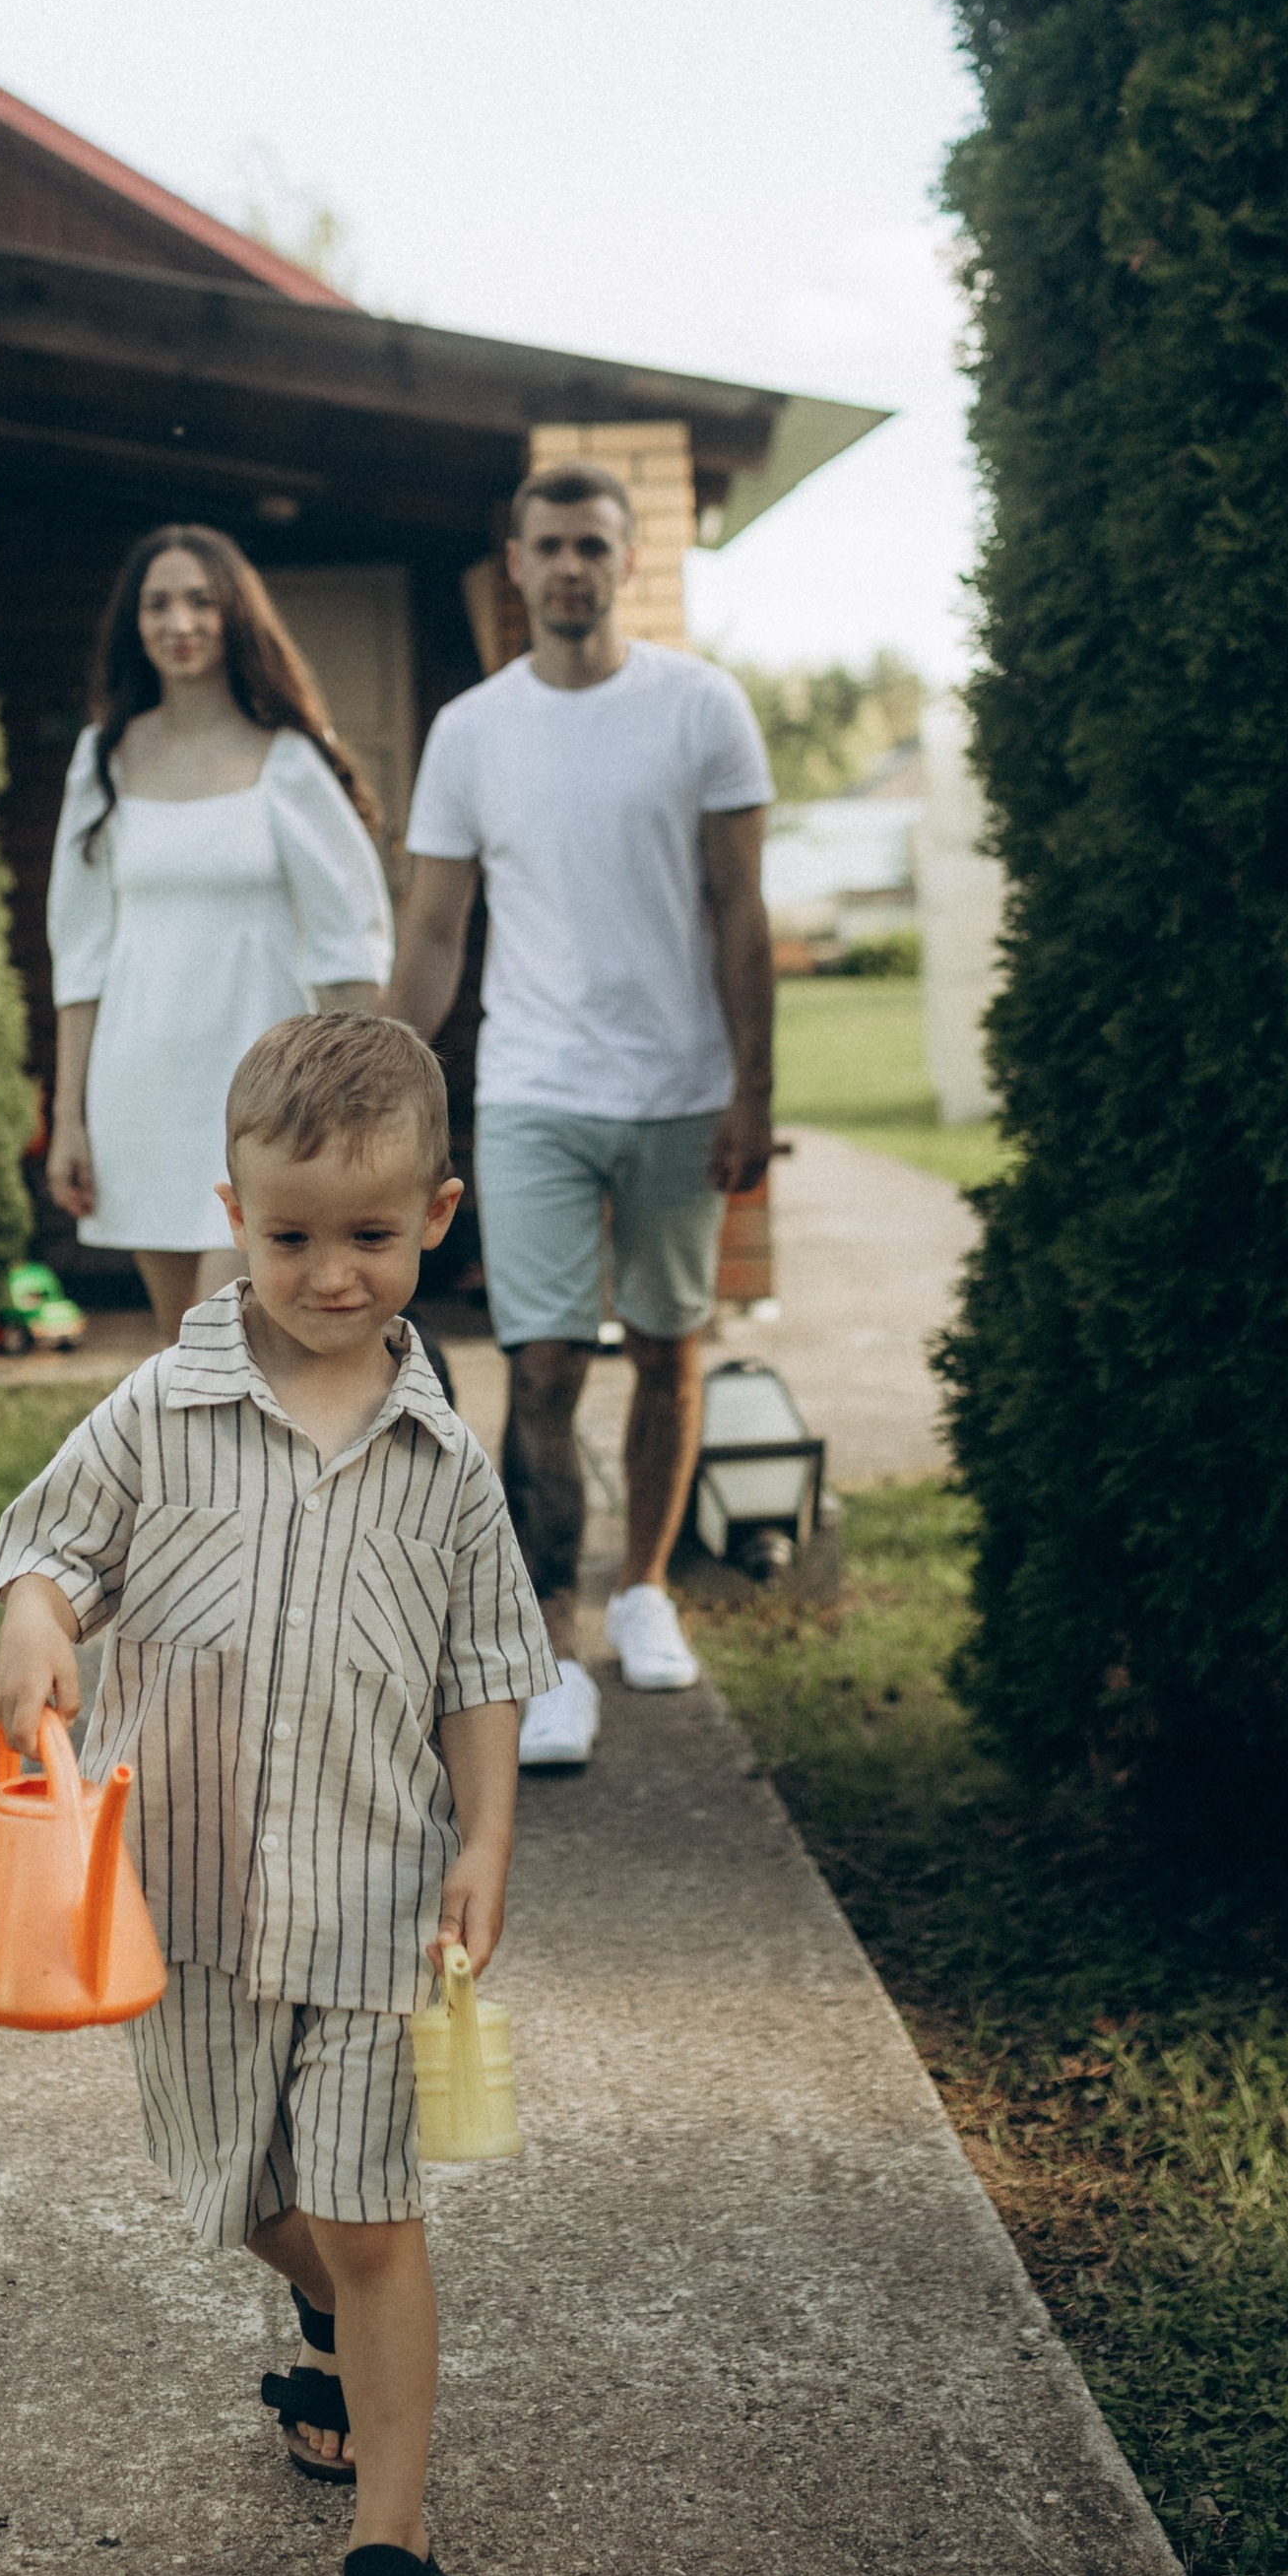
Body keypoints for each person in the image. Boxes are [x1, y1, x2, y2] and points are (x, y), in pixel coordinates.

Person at [0, 1015, 554, 2576]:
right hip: (193, 1895)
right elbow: (51, 1540)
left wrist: (491, 1838)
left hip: (377, 1904)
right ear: (232, 1209)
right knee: (241, 2192)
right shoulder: (165, 1408)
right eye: (291, 1235)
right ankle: (326, 2326)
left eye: (369, 1237)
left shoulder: (444, 1465)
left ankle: (396, 2539)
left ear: (436, 1215)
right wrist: (34, 1621)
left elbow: (483, 1667)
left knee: (372, 2212)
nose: (328, 1273)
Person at [391, 462, 775, 1761]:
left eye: (591, 546)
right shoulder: (473, 731)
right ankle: (550, 1647)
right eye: (547, 545)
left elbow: (742, 913)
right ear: (516, 560)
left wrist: (750, 1089)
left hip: (677, 1089)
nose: (569, 567)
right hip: (535, 1089)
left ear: (625, 556)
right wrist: (397, 1084)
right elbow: (437, 929)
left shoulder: (703, 708)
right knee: (544, 1361)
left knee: (670, 1344)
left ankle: (648, 1591)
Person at [46, 523, 391, 1346]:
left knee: (225, 1337)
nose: (180, 622)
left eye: (201, 601)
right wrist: (70, 1117)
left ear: (236, 614)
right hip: (141, 1094)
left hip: (265, 1100)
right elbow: (80, 953)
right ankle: (213, 1483)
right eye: (158, 604)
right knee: (187, 1360)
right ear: (134, 623)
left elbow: (352, 946)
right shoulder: (103, 759)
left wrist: (365, 1106)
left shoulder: (292, 759)